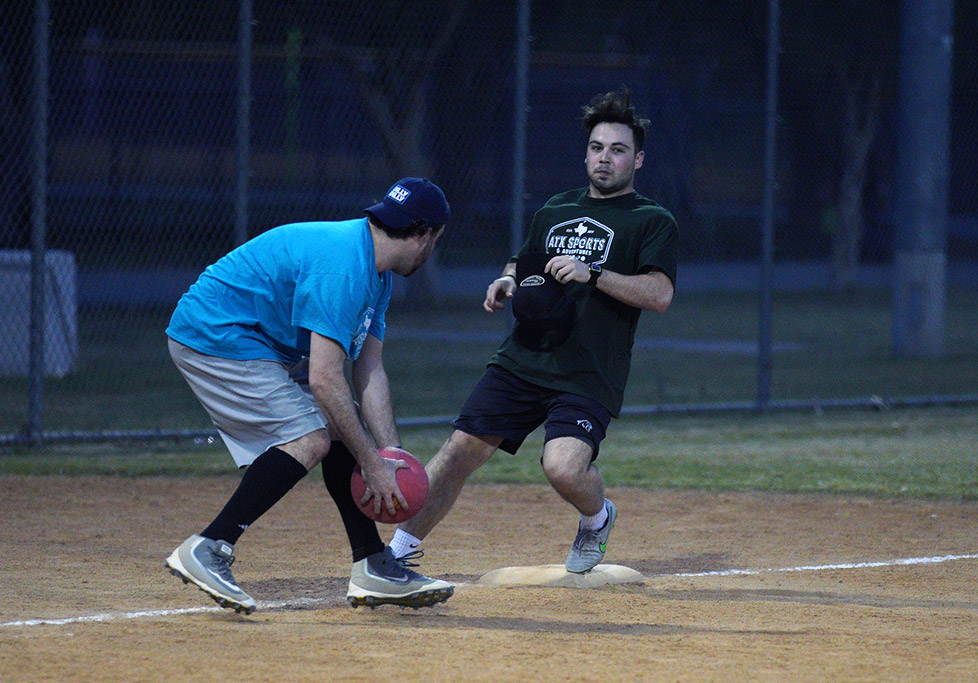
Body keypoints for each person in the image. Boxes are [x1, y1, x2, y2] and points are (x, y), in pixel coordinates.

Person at [387, 90, 679, 574]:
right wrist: (507, 280)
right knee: (460, 449)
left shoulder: (652, 221)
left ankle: (597, 517)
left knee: (562, 468)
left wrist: (595, 274)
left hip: (588, 370)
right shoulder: (554, 210)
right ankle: (397, 551)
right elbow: (523, 265)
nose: (605, 158)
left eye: (618, 149)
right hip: (523, 358)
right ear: (586, 153)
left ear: (639, 159)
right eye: (597, 147)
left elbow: (660, 294)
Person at [163, 177, 455, 613]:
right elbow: (323, 377)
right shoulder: (344, 266)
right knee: (312, 437)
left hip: (256, 342)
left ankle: (373, 565)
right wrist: (370, 464)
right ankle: (210, 546)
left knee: (341, 426)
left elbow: (369, 367)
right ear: (427, 235)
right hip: (215, 335)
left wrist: (388, 452)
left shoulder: (376, 274)